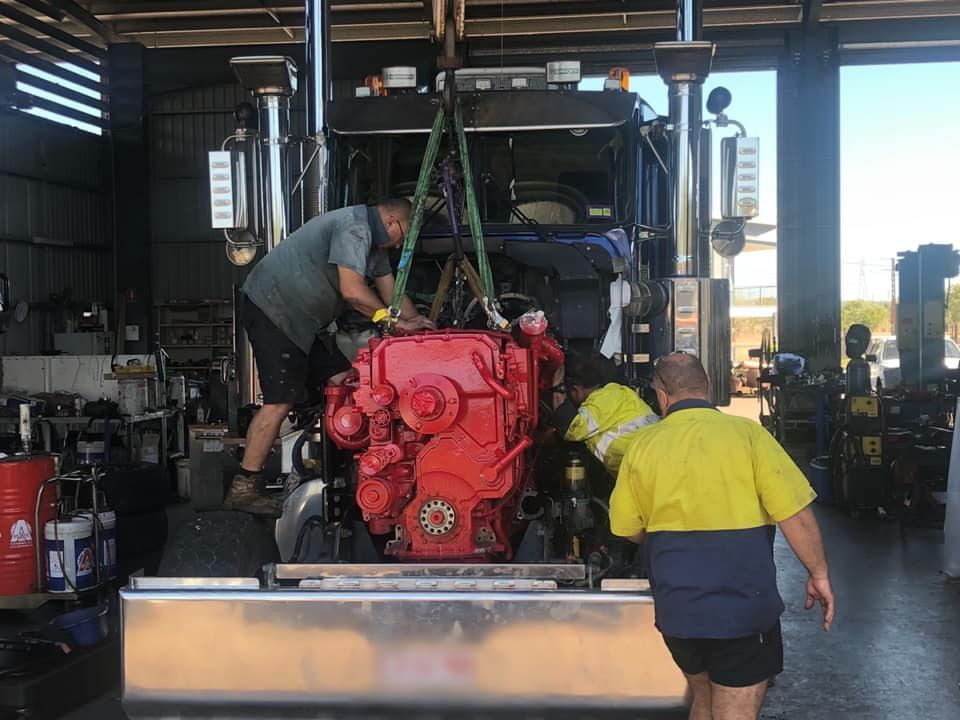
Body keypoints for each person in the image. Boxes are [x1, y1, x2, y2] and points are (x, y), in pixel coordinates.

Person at [610, 353, 835, 720]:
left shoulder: (641, 446)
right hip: (741, 612)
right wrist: (819, 573)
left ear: (661, 396)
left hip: (678, 615)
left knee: (704, 698)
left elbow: (628, 529)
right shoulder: (747, 435)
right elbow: (794, 512)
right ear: (709, 388)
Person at [228, 199, 435, 516]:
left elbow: (392, 292)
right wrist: (393, 323)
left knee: (345, 382)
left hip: (308, 322)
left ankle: (347, 473)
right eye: (404, 236)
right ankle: (244, 487)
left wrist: (423, 331)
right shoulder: (354, 226)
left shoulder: (375, 247)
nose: (402, 244)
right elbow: (353, 292)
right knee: (279, 401)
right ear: (392, 220)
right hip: (274, 309)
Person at [552, 351, 659, 476]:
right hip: (648, 465)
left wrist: (557, 389)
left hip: (646, 468)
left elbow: (572, 428)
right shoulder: (617, 393)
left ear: (575, 389)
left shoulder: (602, 399)